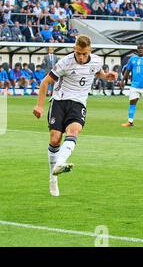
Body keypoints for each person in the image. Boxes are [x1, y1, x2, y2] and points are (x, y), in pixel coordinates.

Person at [32, 34, 117, 197]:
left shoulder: (97, 61)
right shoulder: (64, 62)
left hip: (78, 103)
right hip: (59, 101)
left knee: (74, 131)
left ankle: (60, 163)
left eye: (84, 53)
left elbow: (97, 72)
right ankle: (53, 178)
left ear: (90, 51)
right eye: (78, 53)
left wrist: (106, 77)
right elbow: (45, 82)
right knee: (55, 139)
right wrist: (39, 105)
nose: (81, 57)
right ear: (74, 49)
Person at [120, 44, 143, 127]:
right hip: (134, 85)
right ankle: (130, 122)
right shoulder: (132, 59)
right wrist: (122, 80)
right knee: (132, 102)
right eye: (139, 48)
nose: (140, 50)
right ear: (137, 50)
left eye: (142, 48)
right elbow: (127, 70)